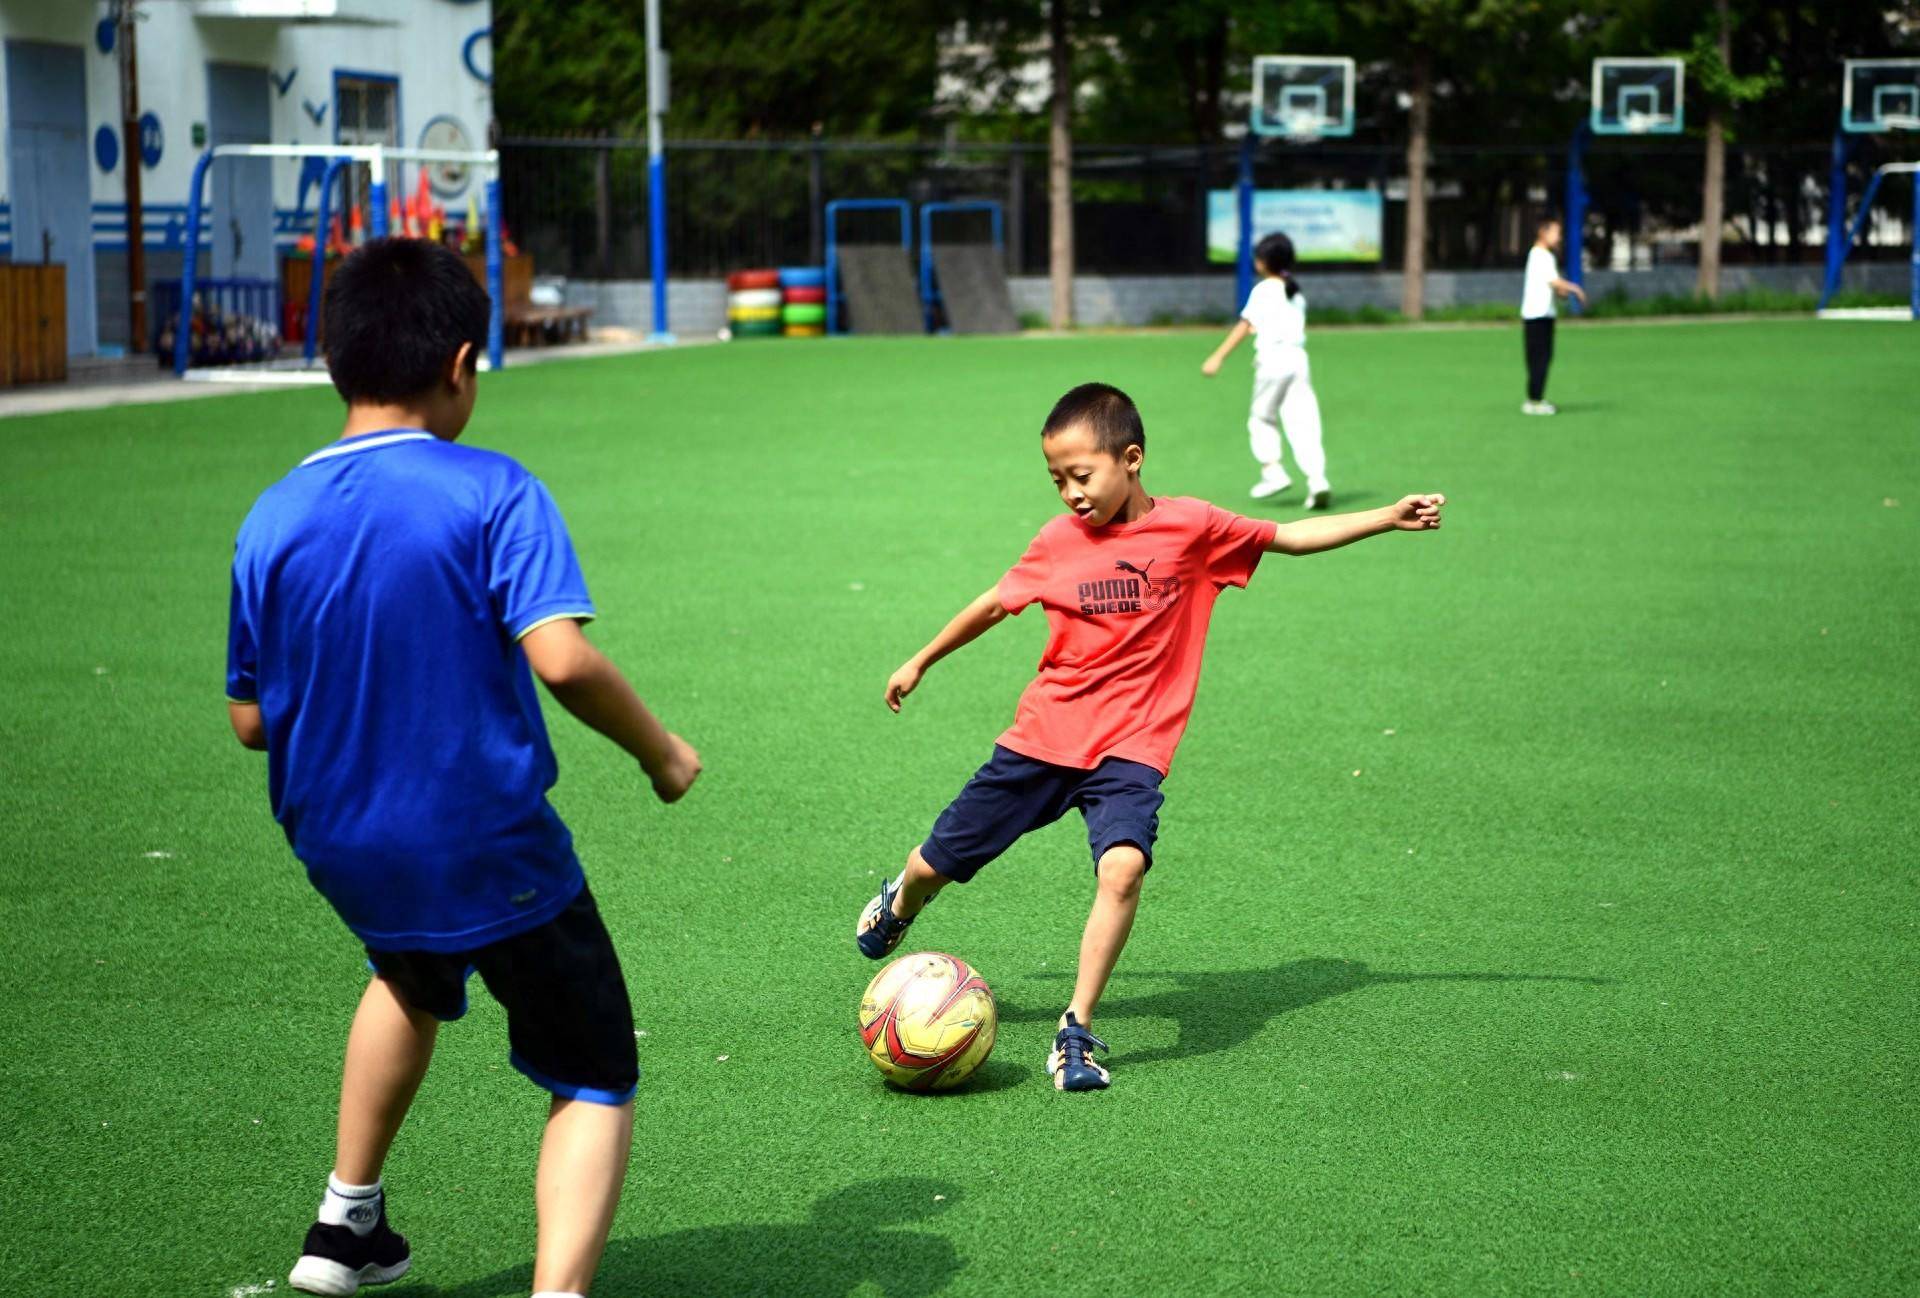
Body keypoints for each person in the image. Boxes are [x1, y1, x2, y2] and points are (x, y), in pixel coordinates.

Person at [225, 237, 701, 1298]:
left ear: (336, 359)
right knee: (594, 1067)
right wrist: (660, 750)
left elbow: (251, 719)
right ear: (462, 361)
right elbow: (562, 657)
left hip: (342, 843)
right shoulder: (491, 489)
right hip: (486, 839)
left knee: (408, 969)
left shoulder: (269, 518)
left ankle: (345, 1221)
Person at [855, 382, 1444, 1092]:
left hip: (1131, 749)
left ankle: (1075, 1029)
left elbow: (1288, 537)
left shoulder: (1193, 527)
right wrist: (920, 659)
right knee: (932, 866)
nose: (1069, 493)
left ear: (1131, 459)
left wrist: (1387, 516)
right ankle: (899, 903)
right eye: (1056, 480)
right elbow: (993, 604)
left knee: (1124, 867)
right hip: (1043, 740)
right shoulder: (1056, 542)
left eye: (1081, 476)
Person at [1201, 231, 1330, 509]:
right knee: (1304, 421)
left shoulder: (1263, 290)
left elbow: (1245, 326)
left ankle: (1273, 471)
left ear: (1261, 262)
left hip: (1273, 360)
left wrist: (1217, 357)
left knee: (1261, 418)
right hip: (1298, 360)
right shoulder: (1295, 293)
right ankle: (1317, 479)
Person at [1521, 218, 1586, 415]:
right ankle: (1535, 401)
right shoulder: (1541, 255)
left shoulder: (1539, 255)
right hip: (1538, 315)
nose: (1559, 238)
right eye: (1556, 233)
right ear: (1543, 232)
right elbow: (1554, 281)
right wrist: (1574, 289)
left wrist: (1561, 291)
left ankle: (1534, 399)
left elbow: (1550, 284)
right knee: (1541, 358)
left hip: (1538, 314)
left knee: (1538, 358)